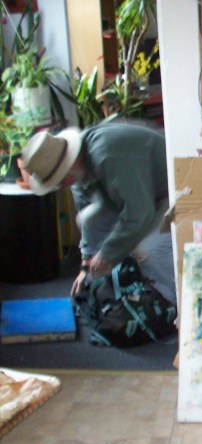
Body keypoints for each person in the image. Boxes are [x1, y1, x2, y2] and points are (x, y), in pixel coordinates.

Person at [19, 122, 176, 307]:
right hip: (141, 195)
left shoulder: (108, 156)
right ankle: (109, 287)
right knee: (86, 219)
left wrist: (107, 255)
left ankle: (176, 303)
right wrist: (86, 265)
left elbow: (140, 214)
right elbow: (87, 215)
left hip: (171, 191)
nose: (59, 186)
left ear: (69, 165)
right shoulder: (76, 170)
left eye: (58, 180)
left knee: (147, 251)